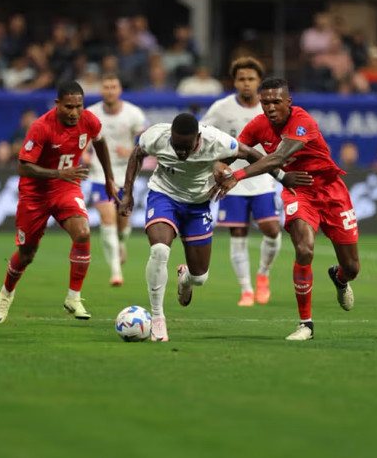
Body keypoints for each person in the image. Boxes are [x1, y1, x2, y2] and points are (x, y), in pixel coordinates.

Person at [118, 112, 310, 342]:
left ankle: (185, 278)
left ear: (198, 137)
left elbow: (250, 153)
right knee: (159, 250)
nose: (181, 152)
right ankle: (158, 318)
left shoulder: (216, 141)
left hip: (198, 205)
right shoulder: (156, 136)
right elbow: (137, 155)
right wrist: (127, 192)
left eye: (186, 146)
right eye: (176, 145)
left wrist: (281, 176)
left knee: (200, 277)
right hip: (163, 196)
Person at [215, 78, 359, 341]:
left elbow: (278, 157)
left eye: (276, 102)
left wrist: (237, 176)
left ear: (288, 102)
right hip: (299, 192)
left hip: (331, 191)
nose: (270, 108)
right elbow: (238, 149)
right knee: (304, 249)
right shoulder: (258, 125)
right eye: (266, 102)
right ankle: (306, 324)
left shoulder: (303, 122)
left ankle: (339, 278)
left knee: (352, 267)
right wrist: (217, 166)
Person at [0, 80, 119, 324]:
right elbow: (23, 166)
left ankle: (74, 297)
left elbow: (100, 141)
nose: (73, 112)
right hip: (35, 195)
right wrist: (59, 173)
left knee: (82, 233)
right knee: (27, 254)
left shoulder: (88, 120)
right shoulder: (41, 127)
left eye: (78, 106)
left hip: (66, 188)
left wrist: (109, 178)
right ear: (58, 104)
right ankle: (7, 292)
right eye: (68, 107)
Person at [200, 57, 282, 307]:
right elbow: (202, 133)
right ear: (234, 82)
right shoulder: (221, 108)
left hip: (263, 180)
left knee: (272, 229)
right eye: (241, 79)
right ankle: (246, 289)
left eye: (251, 79)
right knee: (238, 233)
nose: (246, 83)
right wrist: (214, 163)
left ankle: (263, 275)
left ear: (259, 82)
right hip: (232, 182)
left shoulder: (268, 108)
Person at [85, 73, 147, 286]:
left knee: (123, 226)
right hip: (99, 175)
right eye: (106, 87)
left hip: (126, 177)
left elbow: (145, 146)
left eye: (113, 86)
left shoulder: (133, 114)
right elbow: (81, 143)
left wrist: (129, 150)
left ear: (119, 90)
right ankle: (115, 271)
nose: (110, 90)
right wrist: (84, 155)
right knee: (108, 219)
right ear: (101, 90)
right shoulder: (90, 114)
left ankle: (121, 243)